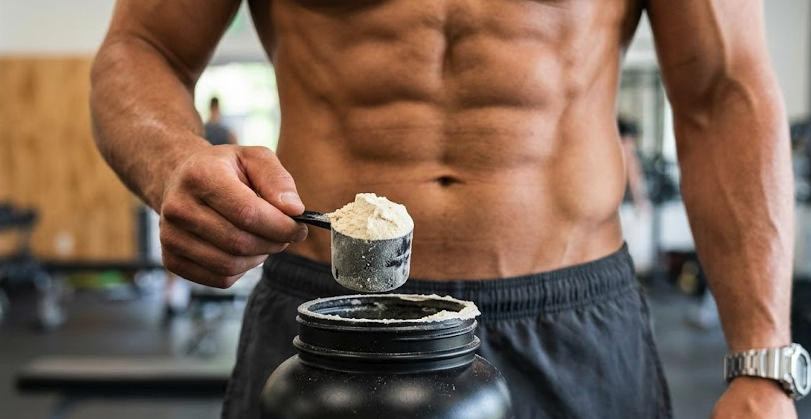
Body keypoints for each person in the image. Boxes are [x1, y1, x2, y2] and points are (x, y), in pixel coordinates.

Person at [89, 1, 796, 418]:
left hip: (570, 324)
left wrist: (763, 365)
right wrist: (173, 160)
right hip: (328, 326)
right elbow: (141, 46)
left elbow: (722, 93)